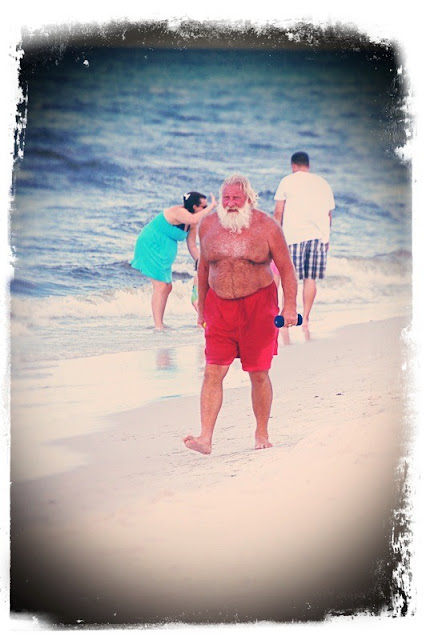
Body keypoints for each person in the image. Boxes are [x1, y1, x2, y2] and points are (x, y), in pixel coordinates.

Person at [183, 174, 298, 455]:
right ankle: (205, 438)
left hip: (258, 307)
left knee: (258, 373)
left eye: (236, 198)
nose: (231, 203)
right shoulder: (208, 225)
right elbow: (203, 268)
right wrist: (201, 306)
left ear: (248, 199)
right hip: (219, 307)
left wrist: (290, 307)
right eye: (226, 198)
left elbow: (286, 269)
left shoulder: (267, 227)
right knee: (212, 371)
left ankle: (262, 433)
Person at [131, 191, 216, 329]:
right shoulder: (178, 212)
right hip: (150, 245)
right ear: (194, 207)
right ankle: (158, 325)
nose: (206, 210)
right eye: (204, 207)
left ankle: (160, 322)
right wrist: (212, 206)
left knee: (168, 287)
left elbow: (192, 246)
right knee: (160, 286)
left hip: (162, 253)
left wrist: (202, 262)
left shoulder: (192, 224)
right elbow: (193, 219)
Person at [273, 151, 335, 326]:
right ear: (308, 165)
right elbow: (329, 215)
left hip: (293, 235)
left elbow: (278, 211)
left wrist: (275, 235)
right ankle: (306, 318)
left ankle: (285, 316)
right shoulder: (323, 183)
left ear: (293, 165)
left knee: (287, 277)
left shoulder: (287, 180)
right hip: (318, 237)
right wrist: (327, 238)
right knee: (310, 278)